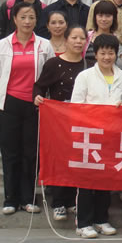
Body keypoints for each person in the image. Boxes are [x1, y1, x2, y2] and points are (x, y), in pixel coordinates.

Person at [0, 1, 55, 215]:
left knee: (31, 152)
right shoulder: (3, 45)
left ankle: (28, 198)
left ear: (37, 20)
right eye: (23, 17)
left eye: (31, 17)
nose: (27, 21)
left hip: (34, 105)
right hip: (9, 103)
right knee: (10, 152)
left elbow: (51, 74)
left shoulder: (44, 45)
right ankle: (10, 198)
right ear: (15, 19)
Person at [71, 33, 122, 238]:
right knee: (86, 181)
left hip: (111, 137)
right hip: (89, 136)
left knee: (106, 180)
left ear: (116, 54)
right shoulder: (85, 76)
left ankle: (101, 219)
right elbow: (76, 106)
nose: (106, 57)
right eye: (103, 53)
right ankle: (83, 223)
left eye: (111, 53)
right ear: (95, 54)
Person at [33, 25, 87, 220]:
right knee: (60, 160)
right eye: (74, 37)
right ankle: (58, 203)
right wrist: (38, 97)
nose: (78, 42)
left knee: (76, 160)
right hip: (58, 122)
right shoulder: (53, 64)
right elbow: (39, 87)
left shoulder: (89, 65)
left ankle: (72, 200)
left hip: (81, 121)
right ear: (66, 40)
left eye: (82, 38)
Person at [83, 0, 118, 66]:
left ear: (114, 18)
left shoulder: (118, 40)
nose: (104, 19)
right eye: (100, 15)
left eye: (108, 16)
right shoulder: (86, 37)